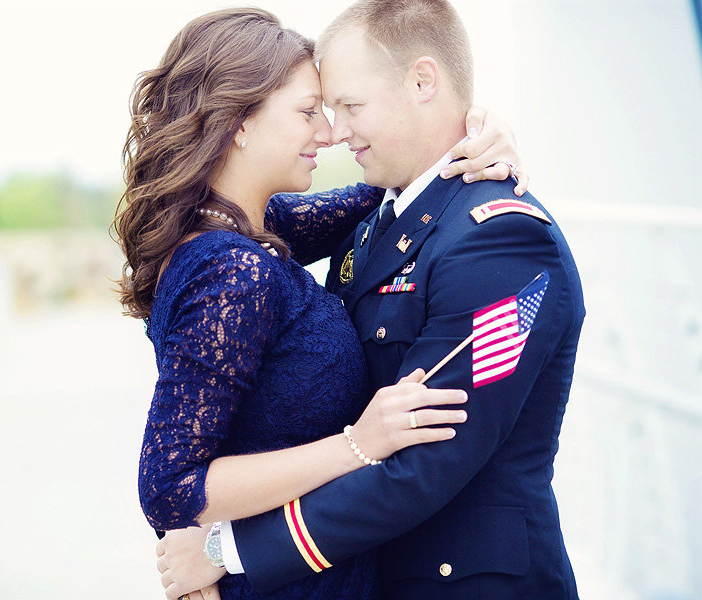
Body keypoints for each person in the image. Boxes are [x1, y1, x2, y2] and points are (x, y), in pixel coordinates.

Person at [157, 1, 584, 600]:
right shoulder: (374, 222)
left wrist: (229, 551)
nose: (335, 131)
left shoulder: (500, 241)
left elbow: (425, 457)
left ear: (422, 82)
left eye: (349, 107)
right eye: (321, 111)